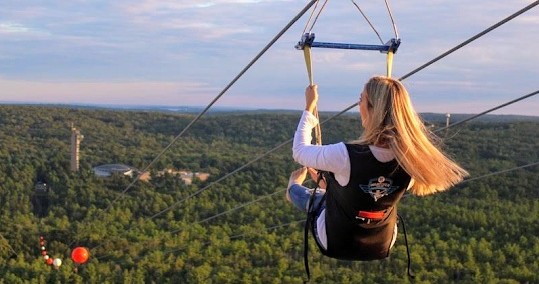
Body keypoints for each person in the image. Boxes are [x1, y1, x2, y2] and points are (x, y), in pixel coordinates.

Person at [287, 76, 469, 260]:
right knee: (336, 194)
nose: (359, 105)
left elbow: (300, 151)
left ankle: (292, 186)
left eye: (361, 100)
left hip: (335, 241)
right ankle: (329, 188)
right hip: (382, 243)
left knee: (308, 196)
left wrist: (310, 106)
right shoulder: (413, 160)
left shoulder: (345, 155)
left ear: (373, 109)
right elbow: (372, 189)